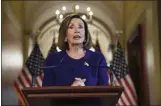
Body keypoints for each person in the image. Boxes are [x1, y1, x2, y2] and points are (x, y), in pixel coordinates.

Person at [42, 14, 109, 105]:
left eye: (80, 27)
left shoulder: (97, 59)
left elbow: (105, 93)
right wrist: (70, 91)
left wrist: (85, 91)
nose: (76, 30)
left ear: (85, 36)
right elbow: (46, 94)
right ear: (65, 36)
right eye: (71, 27)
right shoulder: (53, 60)